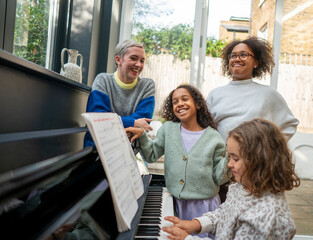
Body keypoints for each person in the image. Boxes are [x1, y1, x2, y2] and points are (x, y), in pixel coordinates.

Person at [162, 118, 301, 240]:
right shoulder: (244, 187)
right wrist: (196, 224)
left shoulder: (264, 216)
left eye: (235, 158)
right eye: (229, 157)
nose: (229, 164)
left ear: (259, 160)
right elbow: (226, 215)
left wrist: (187, 239)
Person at [126, 84, 228, 238]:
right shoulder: (168, 129)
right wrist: (142, 135)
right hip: (175, 203)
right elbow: (151, 155)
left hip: (204, 207)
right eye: (175, 101)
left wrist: (230, 159)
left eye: (185, 99)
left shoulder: (214, 137)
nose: (179, 103)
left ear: (198, 104)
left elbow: (219, 177)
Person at [207, 36, 299, 141]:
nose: (237, 59)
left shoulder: (268, 94)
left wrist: (268, 149)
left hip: (254, 157)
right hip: (221, 156)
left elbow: (289, 125)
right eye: (233, 56)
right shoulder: (215, 94)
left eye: (243, 55)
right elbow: (203, 128)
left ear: (256, 63)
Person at [84, 39, 155, 147]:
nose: (138, 64)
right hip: (98, 149)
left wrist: (113, 123)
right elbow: (97, 118)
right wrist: (132, 123)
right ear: (118, 59)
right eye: (133, 58)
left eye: (142, 60)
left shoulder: (147, 86)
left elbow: (144, 123)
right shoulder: (103, 80)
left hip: (129, 149)